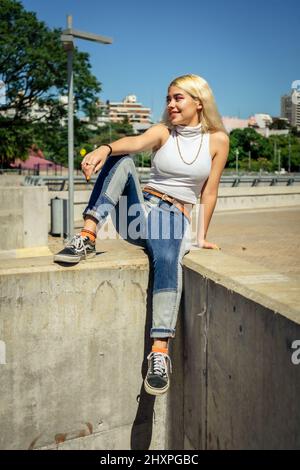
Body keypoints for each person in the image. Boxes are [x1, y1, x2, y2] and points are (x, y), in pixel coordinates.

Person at [54, 73, 229, 396]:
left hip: (174, 216)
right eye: (168, 98)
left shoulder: (217, 140)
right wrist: (105, 147)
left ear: (198, 102)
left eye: (178, 98)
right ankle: (88, 236)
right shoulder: (163, 132)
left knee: (167, 258)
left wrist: (201, 235)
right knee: (120, 158)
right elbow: (133, 144)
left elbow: (210, 193)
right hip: (140, 209)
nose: (171, 104)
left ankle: (159, 352)